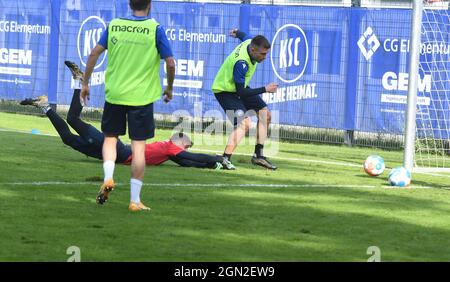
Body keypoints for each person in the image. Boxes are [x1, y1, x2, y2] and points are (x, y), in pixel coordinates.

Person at [19, 62, 228, 172]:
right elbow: (188, 158)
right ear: (178, 141)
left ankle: (45, 106)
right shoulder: (169, 147)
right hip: (117, 151)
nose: (186, 149)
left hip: (116, 155)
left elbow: (187, 163)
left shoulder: (169, 153)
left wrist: (212, 166)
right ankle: (78, 82)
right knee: (73, 119)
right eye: (186, 145)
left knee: (68, 138)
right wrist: (217, 159)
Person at [81, 0, 175, 211]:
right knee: (138, 148)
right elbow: (170, 62)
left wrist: (85, 83)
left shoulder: (114, 24)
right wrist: (169, 88)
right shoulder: (155, 29)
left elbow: (94, 53)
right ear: (149, 4)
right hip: (140, 98)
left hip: (115, 94)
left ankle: (108, 177)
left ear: (130, 4)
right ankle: (134, 200)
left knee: (110, 139)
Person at [212, 28, 278, 171]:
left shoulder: (250, 42)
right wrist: (265, 89)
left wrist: (238, 33)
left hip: (238, 89)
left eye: (266, 54)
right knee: (245, 123)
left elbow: (245, 36)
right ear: (253, 50)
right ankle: (225, 159)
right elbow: (241, 92)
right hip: (225, 91)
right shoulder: (241, 63)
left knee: (265, 114)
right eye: (262, 54)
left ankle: (258, 155)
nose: (264, 57)